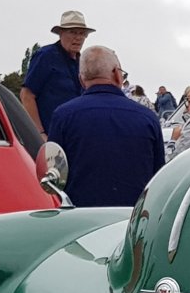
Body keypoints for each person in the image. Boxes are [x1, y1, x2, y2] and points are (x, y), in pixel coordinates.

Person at [46, 45, 163, 207]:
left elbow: (54, 177)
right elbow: (158, 177)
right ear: (116, 74)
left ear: (81, 79)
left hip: (80, 218)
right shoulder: (148, 118)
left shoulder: (63, 116)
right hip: (131, 218)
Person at [22, 11, 93, 140]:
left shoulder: (82, 61)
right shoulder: (46, 56)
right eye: (72, 32)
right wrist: (40, 133)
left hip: (74, 136)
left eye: (82, 33)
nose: (78, 37)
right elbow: (27, 95)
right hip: (50, 135)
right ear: (61, 33)